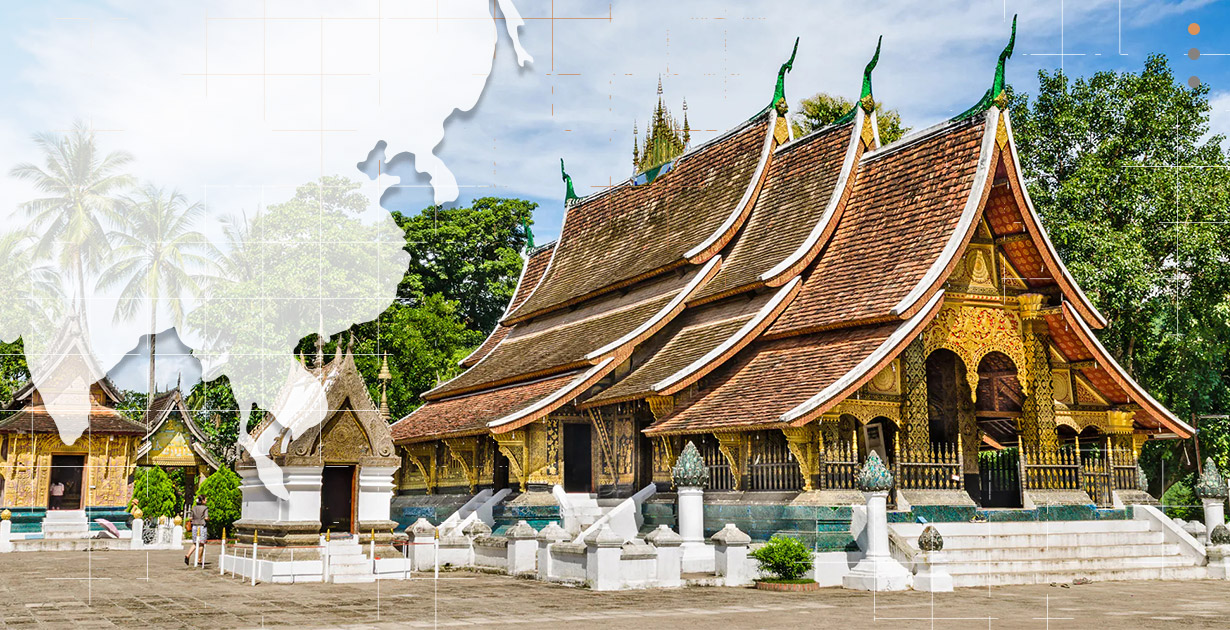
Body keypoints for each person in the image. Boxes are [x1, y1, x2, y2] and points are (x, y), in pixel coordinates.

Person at [185, 495, 208, 567]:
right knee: (201, 543)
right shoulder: (205, 508)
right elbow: (206, 517)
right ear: (203, 501)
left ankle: (188, 555)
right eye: (205, 499)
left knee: (195, 543)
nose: (206, 501)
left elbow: (190, 518)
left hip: (194, 526)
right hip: (201, 526)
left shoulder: (194, 508)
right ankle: (199, 559)